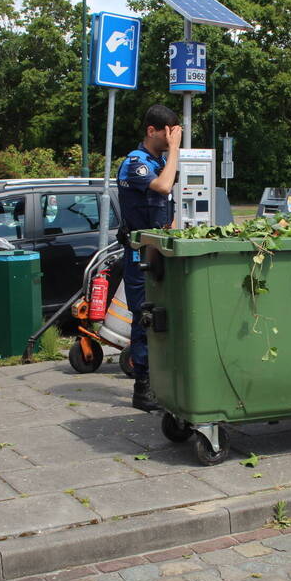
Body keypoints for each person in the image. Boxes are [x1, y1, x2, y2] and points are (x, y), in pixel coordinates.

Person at [116, 104, 182, 412]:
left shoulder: (160, 161)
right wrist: (175, 149)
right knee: (145, 315)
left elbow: (167, 204)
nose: (171, 138)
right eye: (167, 132)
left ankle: (163, 378)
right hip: (140, 254)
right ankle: (142, 386)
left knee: (165, 315)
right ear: (151, 130)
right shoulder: (136, 162)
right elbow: (163, 186)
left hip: (161, 251)